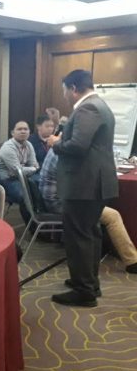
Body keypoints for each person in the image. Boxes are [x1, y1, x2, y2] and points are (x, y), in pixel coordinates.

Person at [46, 69, 118, 307]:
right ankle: (89, 282)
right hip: (92, 183)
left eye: (64, 90)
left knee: (79, 236)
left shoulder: (88, 108)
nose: (64, 95)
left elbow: (77, 146)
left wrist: (56, 143)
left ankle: (84, 290)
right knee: (90, 233)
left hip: (84, 184)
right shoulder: (99, 105)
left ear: (73, 88)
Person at [40, 150, 137, 275]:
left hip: (61, 198)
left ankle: (106, 247)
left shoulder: (61, 149)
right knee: (112, 216)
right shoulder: (66, 153)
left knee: (102, 202)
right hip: (60, 203)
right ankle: (132, 261)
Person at [0, 120, 39, 204]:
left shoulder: (29, 144)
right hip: (8, 180)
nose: (23, 131)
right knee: (26, 196)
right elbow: (17, 171)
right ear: (12, 133)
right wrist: (33, 169)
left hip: (22, 177)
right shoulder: (8, 148)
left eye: (25, 129)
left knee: (42, 184)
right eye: (19, 129)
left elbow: (33, 164)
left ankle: (40, 211)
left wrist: (31, 168)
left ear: (29, 132)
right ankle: (30, 211)